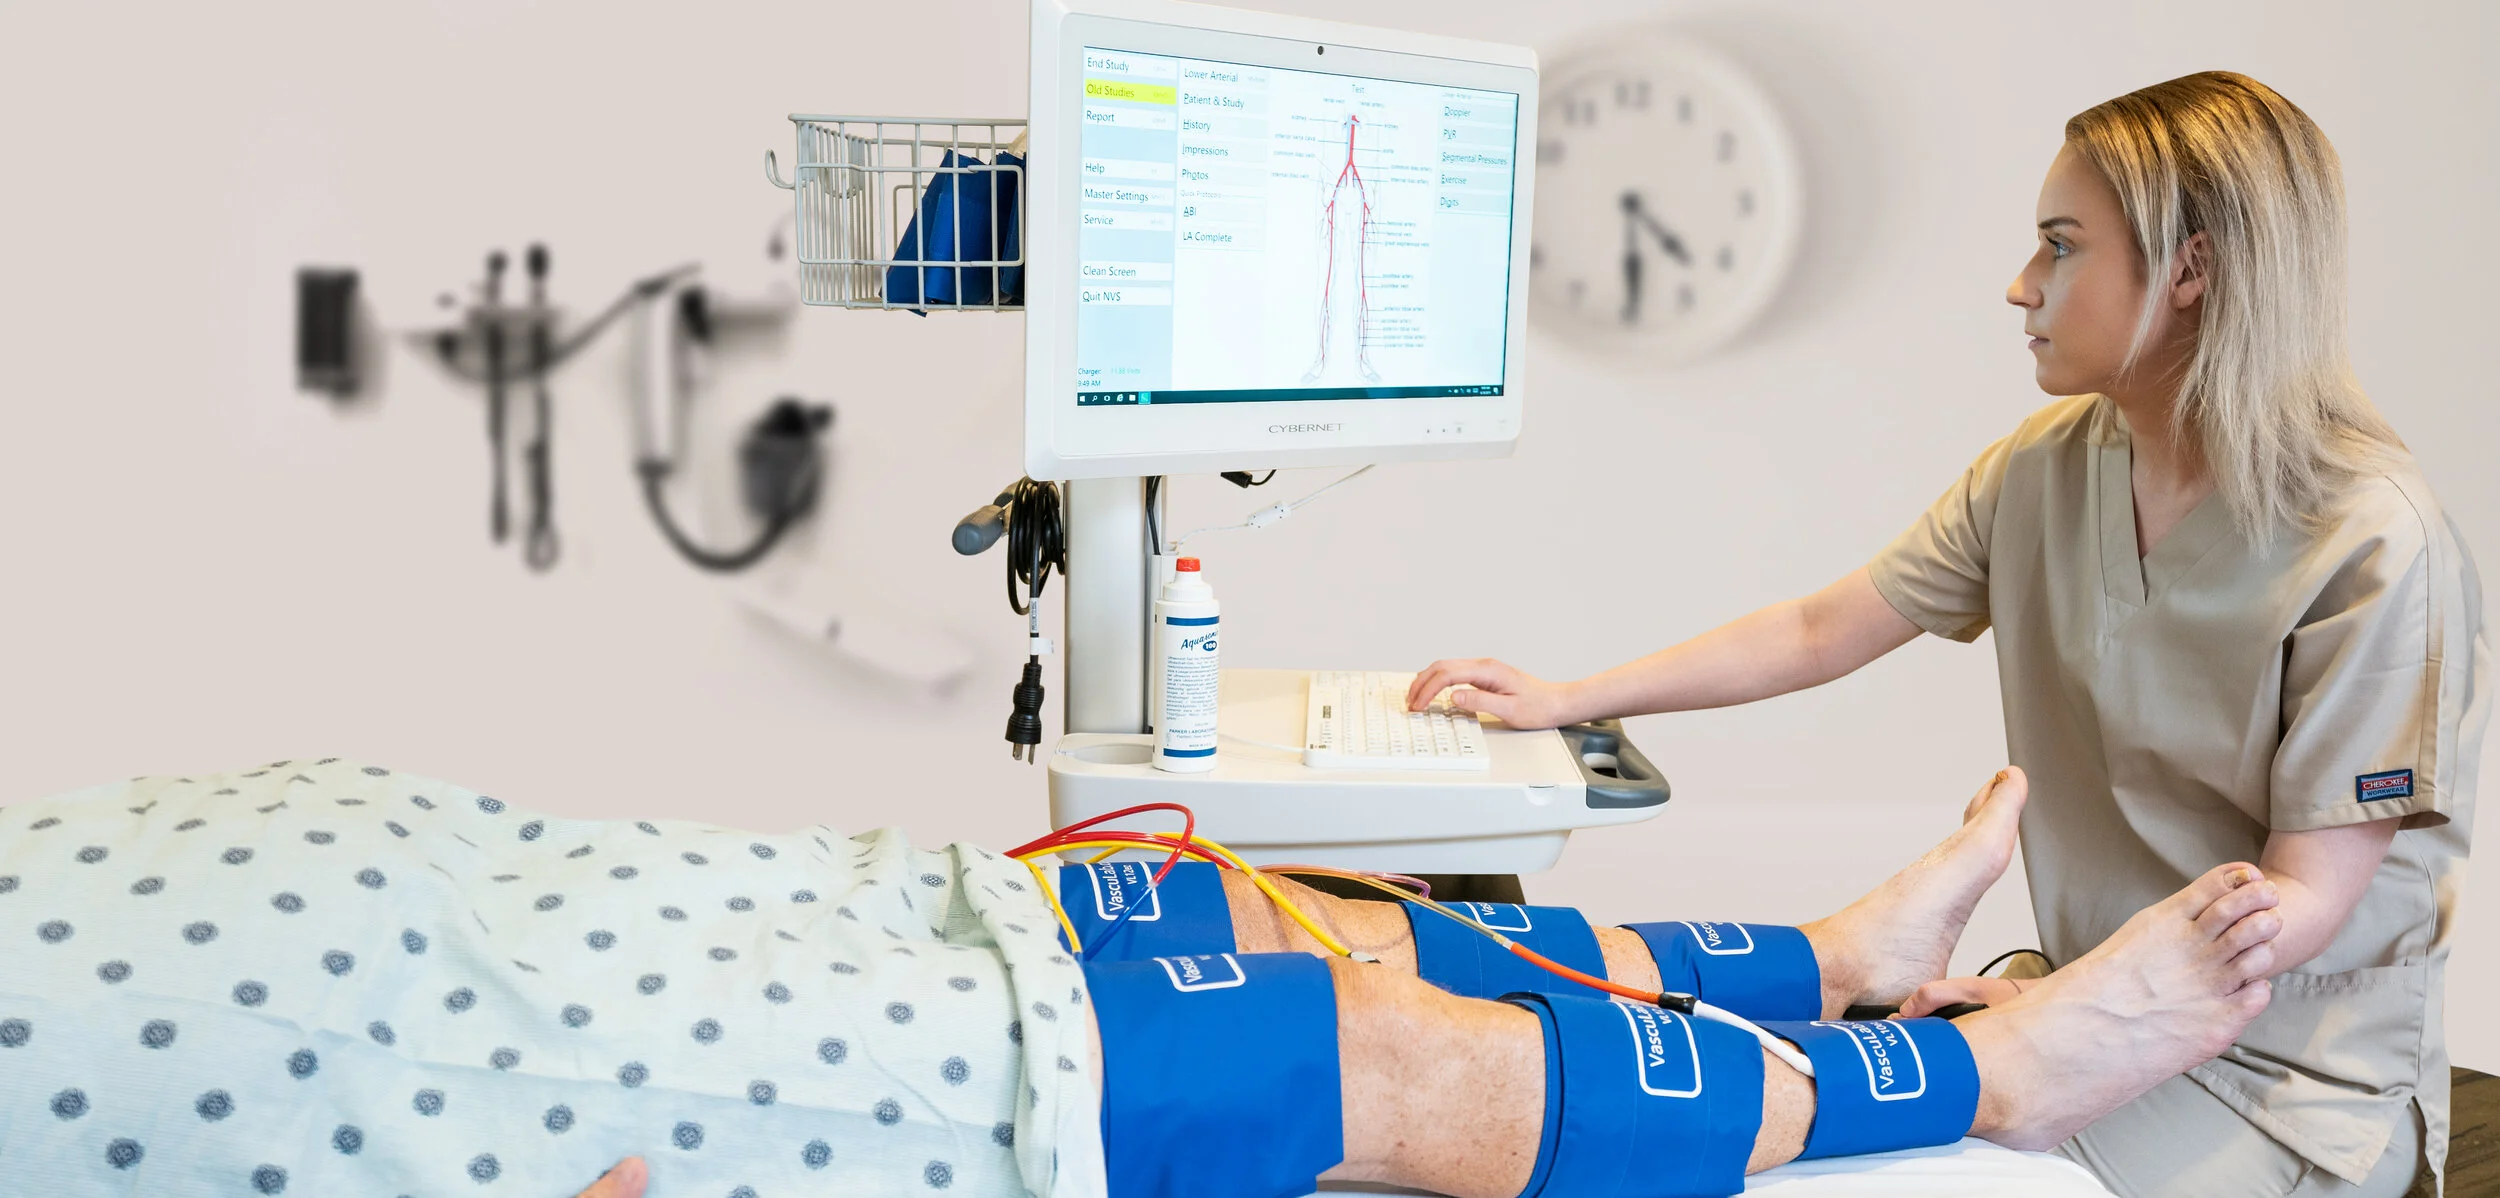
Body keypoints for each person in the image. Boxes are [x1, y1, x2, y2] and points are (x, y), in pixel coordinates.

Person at [1406, 71, 2488, 1197]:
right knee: (1760, 1129)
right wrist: (1570, 698)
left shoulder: (2371, 541)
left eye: (2060, 248)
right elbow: (1823, 625)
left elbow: (2299, 900)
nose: (2019, 287)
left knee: (1853, 1162)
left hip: (2281, 1085)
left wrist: (2060, 1013)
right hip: (2082, 1001)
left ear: (2189, 269)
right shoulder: (2047, 466)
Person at [5, 759, 2280, 1198]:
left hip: (594, 907)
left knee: (1268, 917)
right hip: (558, 1081)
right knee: (1337, 1052)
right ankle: (1975, 1081)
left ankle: (1833, 961)